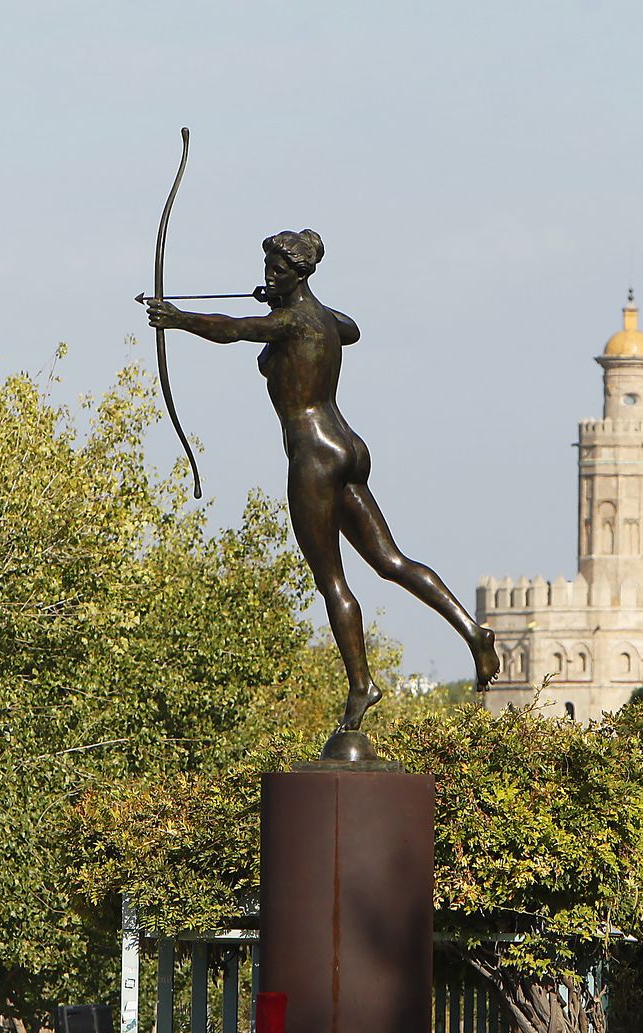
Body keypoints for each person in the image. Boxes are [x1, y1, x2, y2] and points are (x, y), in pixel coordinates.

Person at [145, 230, 499, 750]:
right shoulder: (322, 318)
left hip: (313, 455)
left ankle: (361, 685)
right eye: (267, 268)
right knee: (390, 561)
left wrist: (177, 320)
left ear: (302, 272)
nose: (269, 277)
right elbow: (350, 329)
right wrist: (282, 300)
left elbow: (231, 328)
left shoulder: (289, 322)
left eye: (279, 271)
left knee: (332, 581)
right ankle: (473, 632)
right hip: (349, 447)